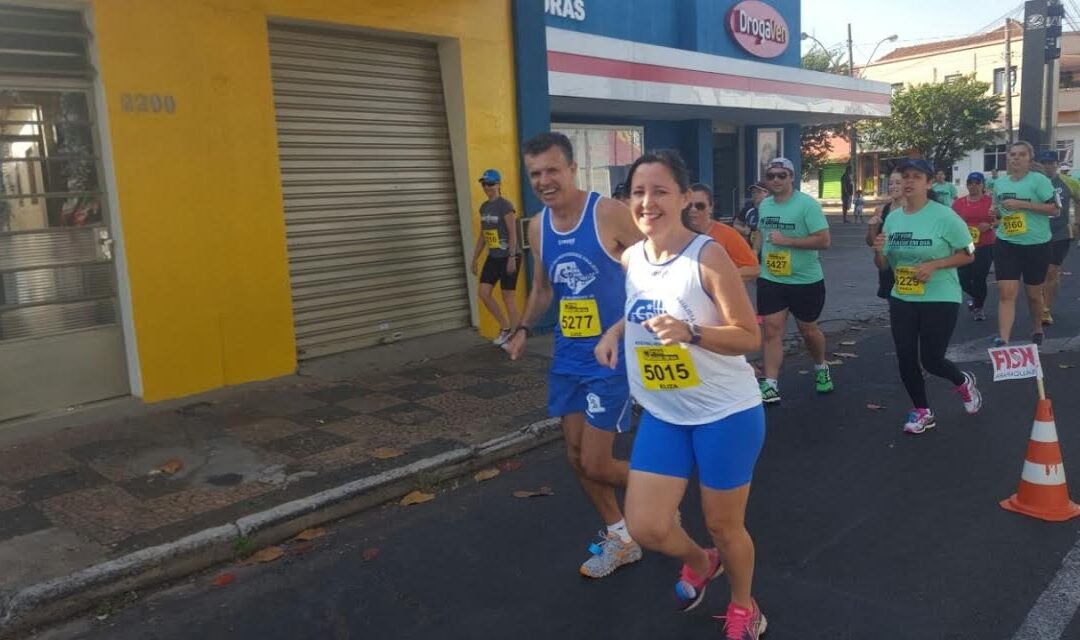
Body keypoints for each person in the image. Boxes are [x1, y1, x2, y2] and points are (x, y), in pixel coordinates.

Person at [595, 149, 767, 639]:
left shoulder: (706, 255)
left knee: (723, 524)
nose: (648, 202)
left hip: (725, 413)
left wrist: (691, 332)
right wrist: (615, 332)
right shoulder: (632, 257)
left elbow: (747, 336)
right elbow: (639, 307)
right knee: (647, 526)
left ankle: (743, 604)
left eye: (660, 191)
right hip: (665, 412)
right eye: (638, 192)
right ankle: (699, 561)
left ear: (686, 197)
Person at [505, 132, 645, 578]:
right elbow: (545, 287)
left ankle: (660, 496)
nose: (544, 180)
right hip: (567, 355)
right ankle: (621, 538)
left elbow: (654, 268)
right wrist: (523, 327)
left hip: (611, 354)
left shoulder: (608, 214)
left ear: (571, 169)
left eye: (551, 170)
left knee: (595, 460)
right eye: (535, 174)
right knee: (573, 455)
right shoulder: (536, 226)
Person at [872, 158, 982, 433]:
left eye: (915, 177)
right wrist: (877, 250)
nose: (908, 182)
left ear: (929, 183)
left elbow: (969, 254)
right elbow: (884, 265)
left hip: (940, 297)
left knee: (932, 359)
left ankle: (963, 382)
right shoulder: (893, 218)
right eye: (904, 176)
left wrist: (935, 264)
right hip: (903, 296)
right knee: (905, 355)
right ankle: (922, 411)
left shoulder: (945, 216)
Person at [754, 158, 833, 404]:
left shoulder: (806, 205)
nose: (776, 180)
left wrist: (788, 241)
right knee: (771, 329)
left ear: (791, 177)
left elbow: (824, 240)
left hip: (804, 280)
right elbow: (761, 234)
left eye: (781, 175)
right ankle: (771, 384)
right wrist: (753, 258)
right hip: (771, 278)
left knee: (808, 330)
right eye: (771, 176)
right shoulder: (765, 205)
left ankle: (821, 367)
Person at [992, 142, 1060, 346]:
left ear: (1030, 159)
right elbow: (998, 211)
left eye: (1021, 155)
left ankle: (1037, 328)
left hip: (1036, 244)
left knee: (1033, 295)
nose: (1016, 158)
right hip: (1007, 242)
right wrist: (995, 215)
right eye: (1012, 154)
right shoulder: (1000, 183)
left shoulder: (1039, 181)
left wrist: (1023, 205)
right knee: (1006, 292)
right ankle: (1003, 339)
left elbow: (1055, 209)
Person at [470, 169, 521, 346]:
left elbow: (513, 233)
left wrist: (512, 257)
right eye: (484, 184)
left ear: (498, 184)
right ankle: (505, 327)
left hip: (509, 255)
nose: (487, 187)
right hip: (493, 256)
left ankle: (515, 336)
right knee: (484, 293)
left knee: (508, 295)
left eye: (491, 183)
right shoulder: (484, 208)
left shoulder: (505, 206)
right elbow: (484, 235)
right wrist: (475, 258)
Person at [1036, 151, 1079, 326]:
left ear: (1057, 163)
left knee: (1052, 271)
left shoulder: (1068, 182)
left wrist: (1077, 221)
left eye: (1051, 162)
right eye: (1044, 162)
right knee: (1038, 273)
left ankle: (1046, 309)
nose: (1048, 165)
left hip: (1060, 233)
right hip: (1037, 234)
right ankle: (1037, 304)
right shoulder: (1035, 182)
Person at [686, 183, 761, 283]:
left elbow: (753, 269)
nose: (693, 210)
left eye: (700, 206)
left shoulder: (727, 234)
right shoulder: (674, 233)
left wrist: (718, 275)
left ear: (711, 207)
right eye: (688, 205)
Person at [952, 172, 996, 321]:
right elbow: (950, 222)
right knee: (962, 279)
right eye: (970, 182)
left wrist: (990, 225)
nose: (973, 185)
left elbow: (1003, 220)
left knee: (979, 278)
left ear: (983, 184)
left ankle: (978, 307)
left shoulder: (990, 202)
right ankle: (976, 298)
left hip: (984, 245)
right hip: (965, 245)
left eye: (977, 182)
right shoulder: (959, 203)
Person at [866, 169, 905, 300]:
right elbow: (872, 242)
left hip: (911, 263)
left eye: (898, 183)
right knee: (894, 304)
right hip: (888, 265)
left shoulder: (915, 209)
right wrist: (872, 229)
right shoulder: (882, 209)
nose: (893, 186)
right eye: (891, 183)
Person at [734, 182, 767, 247]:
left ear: (766, 193)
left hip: (768, 247)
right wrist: (744, 230)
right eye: (753, 192)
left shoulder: (773, 209)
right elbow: (736, 224)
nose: (755, 195)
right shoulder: (748, 209)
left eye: (759, 192)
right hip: (751, 247)